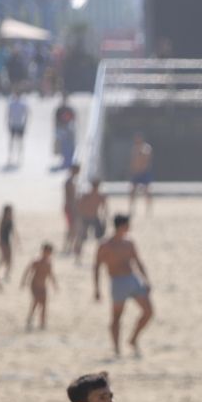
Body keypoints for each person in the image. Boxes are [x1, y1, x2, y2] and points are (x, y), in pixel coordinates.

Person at [94, 215, 154, 358]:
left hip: (133, 279)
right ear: (121, 226)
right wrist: (96, 288)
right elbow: (96, 266)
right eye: (127, 225)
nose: (129, 228)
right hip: (117, 282)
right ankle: (116, 348)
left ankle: (133, 339)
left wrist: (146, 280)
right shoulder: (105, 245)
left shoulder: (129, 243)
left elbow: (138, 262)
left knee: (149, 311)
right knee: (116, 317)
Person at [21, 242, 56, 330]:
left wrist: (54, 284)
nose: (47, 254)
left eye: (49, 252)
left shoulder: (49, 264)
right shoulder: (37, 262)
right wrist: (23, 281)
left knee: (44, 304)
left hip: (43, 286)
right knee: (36, 301)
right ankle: (30, 318)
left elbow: (51, 274)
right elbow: (27, 270)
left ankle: (42, 322)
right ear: (42, 251)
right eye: (45, 251)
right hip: (34, 285)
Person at [72, 179, 107, 263]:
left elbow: (105, 208)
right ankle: (78, 257)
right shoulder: (86, 196)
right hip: (85, 218)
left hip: (94, 217)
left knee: (100, 238)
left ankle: (102, 257)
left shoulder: (100, 196)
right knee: (81, 238)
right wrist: (79, 218)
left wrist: (104, 219)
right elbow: (79, 206)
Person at [128, 134, 153, 216]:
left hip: (144, 173)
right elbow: (133, 161)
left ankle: (148, 210)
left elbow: (146, 158)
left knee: (147, 191)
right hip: (136, 173)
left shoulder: (146, 148)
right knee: (132, 191)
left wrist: (139, 152)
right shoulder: (134, 148)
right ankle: (132, 209)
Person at [0, 203, 17, 285]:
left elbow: (13, 231)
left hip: (8, 241)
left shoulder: (10, 219)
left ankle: (6, 274)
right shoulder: (3, 220)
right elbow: (0, 232)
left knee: (9, 259)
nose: (11, 212)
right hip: (3, 241)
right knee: (4, 258)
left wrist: (17, 239)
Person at [6, 92, 27, 166]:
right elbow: (9, 114)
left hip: (19, 125)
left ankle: (19, 157)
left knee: (19, 142)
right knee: (12, 142)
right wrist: (9, 123)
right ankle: (11, 156)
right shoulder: (12, 104)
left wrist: (24, 124)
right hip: (14, 125)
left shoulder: (22, 104)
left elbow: (26, 114)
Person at [63, 164, 79, 251]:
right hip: (70, 208)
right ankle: (68, 246)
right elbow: (70, 197)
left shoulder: (72, 181)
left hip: (71, 208)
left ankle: (69, 246)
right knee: (71, 228)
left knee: (73, 228)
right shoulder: (69, 182)